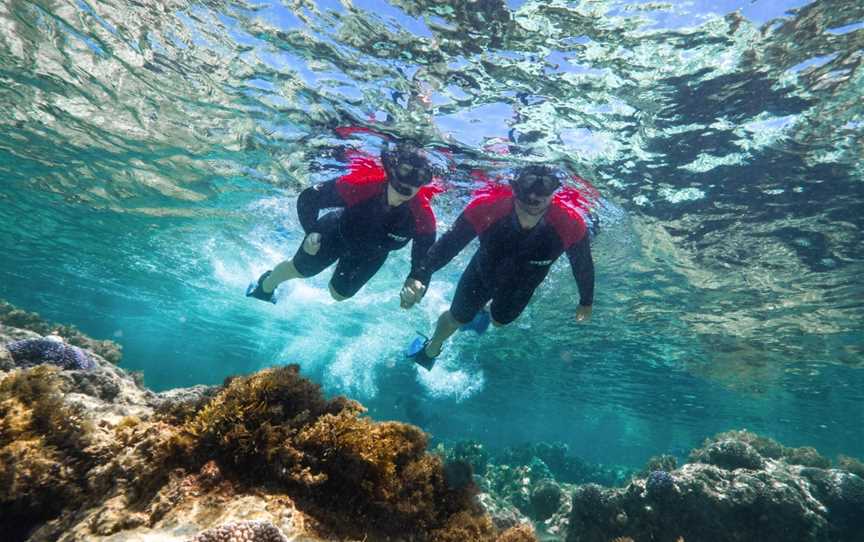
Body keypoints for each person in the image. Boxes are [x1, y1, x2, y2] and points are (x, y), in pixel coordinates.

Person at [401, 165, 596, 369]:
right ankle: (432, 347)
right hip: (482, 274)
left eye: (541, 197)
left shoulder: (570, 224)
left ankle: (485, 310)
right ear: (514, 189)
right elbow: (448, 245)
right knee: (456, 318)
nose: (532, 206)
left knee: (499, 322)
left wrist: (586, 301)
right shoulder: (488, 207)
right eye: (525, 200)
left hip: (522, 286)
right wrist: (419, 275)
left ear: (553, 193)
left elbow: (582, 265)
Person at [246, 143, 439, 305]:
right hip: (335, 232)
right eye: (404, 175)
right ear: (391, 171)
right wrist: (311, 232)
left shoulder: (423, 216)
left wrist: (417, 281)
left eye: (418, 180)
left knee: (339, 295)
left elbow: (424, 260)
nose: (407, 188)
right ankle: (265, 286)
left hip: (371, 254)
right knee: (299, 270)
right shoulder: (362, 186)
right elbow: (309, 198)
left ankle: (332, 266)